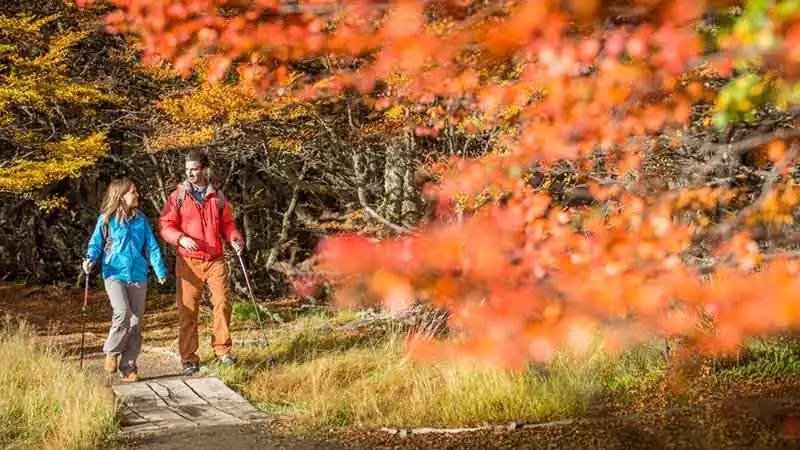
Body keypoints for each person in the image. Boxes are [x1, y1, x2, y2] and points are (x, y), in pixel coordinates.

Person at [159, 150, 245, 376]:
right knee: (188, 310)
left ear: (205, 169)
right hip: (188, 262)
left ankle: (222, 351)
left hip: (215, 258)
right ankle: (189, 358)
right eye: (187, 169)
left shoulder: (218, 197)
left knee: (223, 302)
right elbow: (166, 225)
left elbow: (227, 224)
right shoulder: (177, 197)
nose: (190, 172)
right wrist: (180, 238)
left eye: (194, 168)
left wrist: (235, 238)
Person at [83, 178, 168, 382]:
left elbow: (152, 246)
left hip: (138, 274)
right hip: (114, 273)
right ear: (120, 196)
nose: (136, 195)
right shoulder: (106, 220)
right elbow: (95, 244)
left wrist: (159, 269)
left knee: (136, 323)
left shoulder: (141, 219)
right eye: (133, 192)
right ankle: (112, 351)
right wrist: (89, 259)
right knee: (122, 312)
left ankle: (128, 366)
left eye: (136, 191)